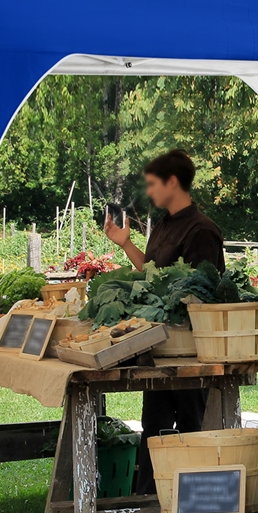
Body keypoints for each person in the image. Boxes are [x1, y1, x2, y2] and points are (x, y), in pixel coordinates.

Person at [103, 149, 224, 494]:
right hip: (160, 345)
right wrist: (126, 245)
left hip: (190, 349)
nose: (149, 191)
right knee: (153, 425)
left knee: (189, 428)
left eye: (153, 184)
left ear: (173, 182)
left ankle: (189, 503)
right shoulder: (164, 226)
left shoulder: (202, 230)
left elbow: (202, 291)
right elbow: (152, 273)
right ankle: (147, 501)